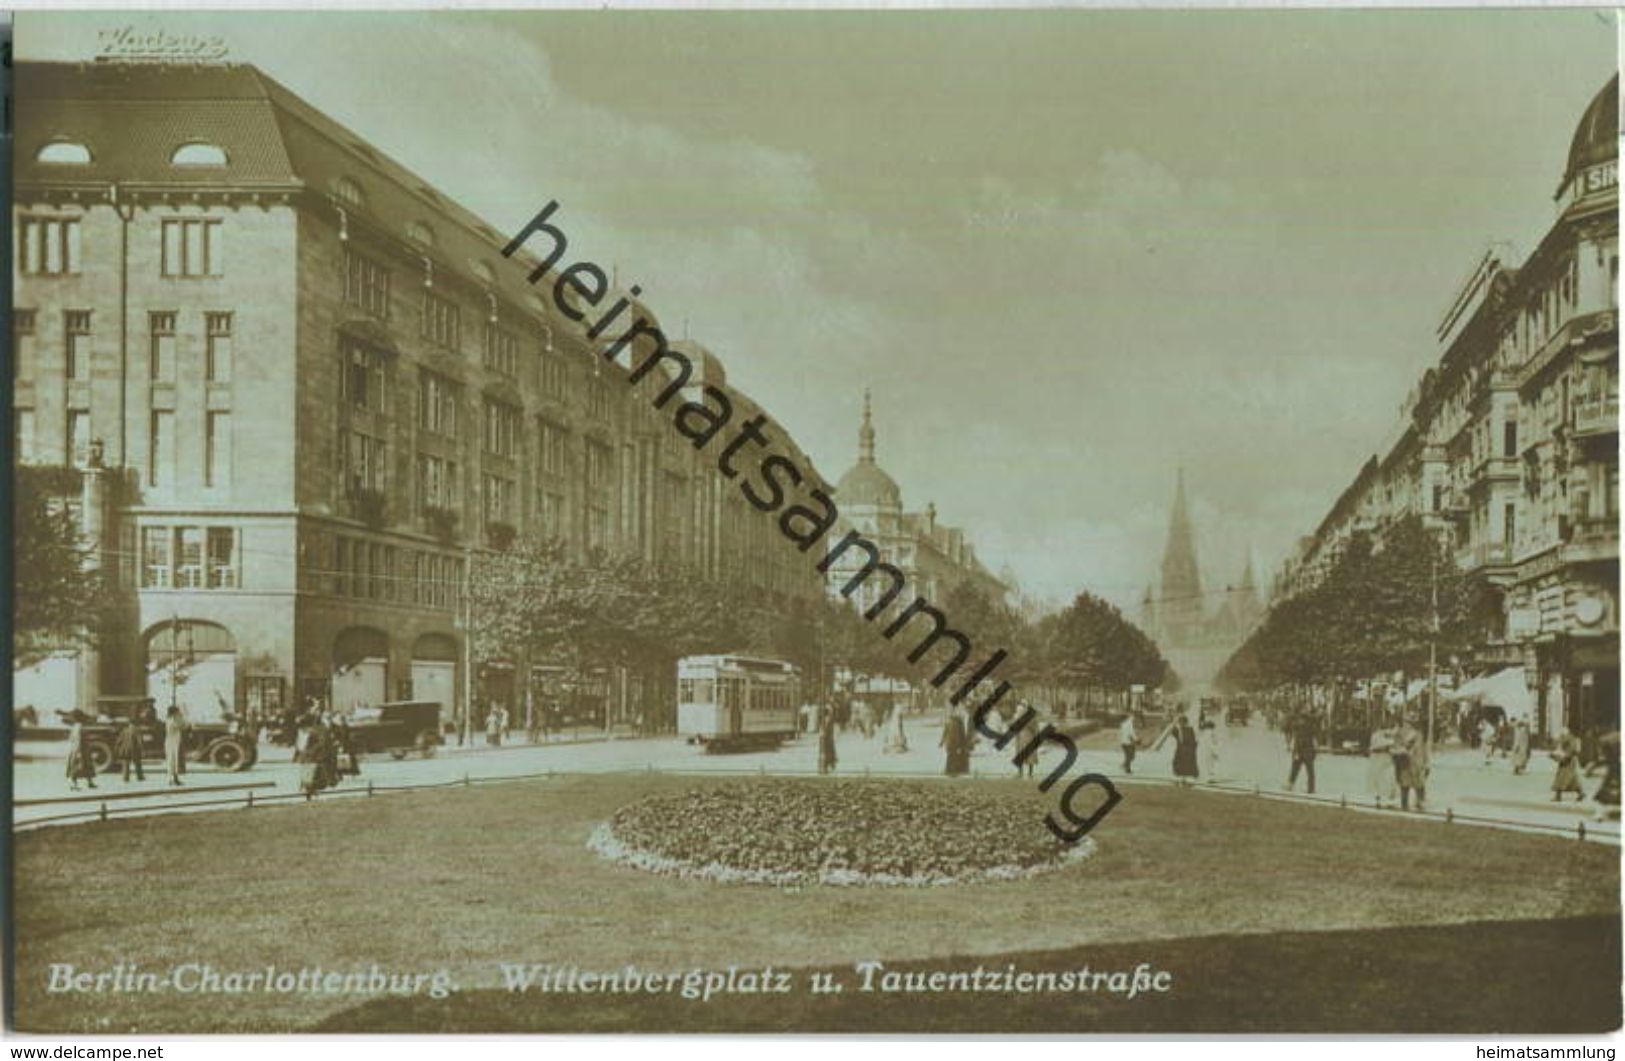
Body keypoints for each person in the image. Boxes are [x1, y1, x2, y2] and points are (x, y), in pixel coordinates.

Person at [1392, 718, 1429, 811]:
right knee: (1407, 784)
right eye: (1406, 723)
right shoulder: (1400, 734)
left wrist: (1426, 762)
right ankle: (1407, 804)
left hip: (1415, 762)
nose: (1407, 725)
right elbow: (1397, 748)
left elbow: (1423, 750)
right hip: (1407, 762)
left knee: (1417, 784)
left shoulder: (1417, 734)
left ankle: (1418, 803)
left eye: (1409, 723)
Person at [1157, 714, 1199, 784]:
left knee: (1185, 763)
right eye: (1180, 722)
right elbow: (1175, 734)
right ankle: (1182, 776)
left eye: (1181, 722)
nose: (1180, 724)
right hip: (1182, 749)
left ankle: (1186, 776)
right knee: (1179, 763)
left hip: (1186, 750)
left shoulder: (1189, 729)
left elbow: (1191, 740)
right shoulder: (1181, 730)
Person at [1286, 712, 1319, 794]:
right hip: (1308, 752)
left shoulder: (1299, 728)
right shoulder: (1312, 728)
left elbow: (1297, 741)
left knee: (1295, 769)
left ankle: (1290, 785)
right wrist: (1315, 751)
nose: (1300, 721)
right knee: (1310, 771)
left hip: (1300, 752)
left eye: (1301, 719)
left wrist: (1295, 751)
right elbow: (1315, 741)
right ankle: (1311, 788)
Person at [1367, 721, 1398, 808]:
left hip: (1385, 759)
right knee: (1380, 779)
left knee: (1389, 778)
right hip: (1379, 759)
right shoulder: (1377, 736)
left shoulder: (1384, 735)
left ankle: (1387, 798)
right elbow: (1378, 745)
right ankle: (1380, 798)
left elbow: (1393, 735)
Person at [65, 712, 97, 791]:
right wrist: (79, 752)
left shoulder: (75, 726)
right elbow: (78, 740)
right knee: (78, 767)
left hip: (77, 749)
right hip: (80, 749)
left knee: (85, 766)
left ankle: (89, 782)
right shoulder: (80, 727)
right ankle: (74, 784)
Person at [1592, 730, 1620, 821]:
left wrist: (1593, 766)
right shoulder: (1613, 739)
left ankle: (1599, 814)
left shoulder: (1605, 740)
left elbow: (1602, 758)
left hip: (1614, 769)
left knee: (1604, 793)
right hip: (1616, 769)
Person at [1551, 728, 1585, 802]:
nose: (1562, 733)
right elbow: (1559, 746)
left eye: (1563, 732)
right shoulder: (1564, 738)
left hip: (1569, 761)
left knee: (1566, 778)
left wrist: (1565, 755)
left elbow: (1572, 749)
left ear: (1567, 732)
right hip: (1565, 761)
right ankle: (1579, 793)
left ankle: (1559, 796)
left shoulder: (1571, 739)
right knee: (1566, 778)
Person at [940, 705, 971, 777]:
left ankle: (954, 770)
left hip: (955, 743)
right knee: (952, 756)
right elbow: (946, 731)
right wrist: (942, 741)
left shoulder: (957, 722)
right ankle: (953, 770)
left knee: (953, 756)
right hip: (953, 743)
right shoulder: (954, 722)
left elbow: (960, 734)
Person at [163, 705, 188, 786]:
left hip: (173, 741)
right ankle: (171, 779)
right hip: (173, 742)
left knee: (173, 760)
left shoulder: (170, 719)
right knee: (173, 760)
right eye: (177, 711)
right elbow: (183, 726)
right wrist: (182, 716)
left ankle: (174, 779)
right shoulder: (173, 720)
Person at [817, 705, 839, 775]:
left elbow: (825, 730)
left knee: (826, 752)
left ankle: (825, 766)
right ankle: (827, 765)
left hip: (826, 738)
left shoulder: (827, 719)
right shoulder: (828, 719)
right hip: (827, 738)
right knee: (827, 752)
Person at [1200, 714, 1222, 782]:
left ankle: (1208, 777)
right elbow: (1213, 743)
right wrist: (1215, 751)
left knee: (1207, 764)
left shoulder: (1204, 733)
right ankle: (1211, 778)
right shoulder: (1212, 733)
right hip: (1211, 750)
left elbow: (1202, 742)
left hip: (1205, 750)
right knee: (1213, 764)